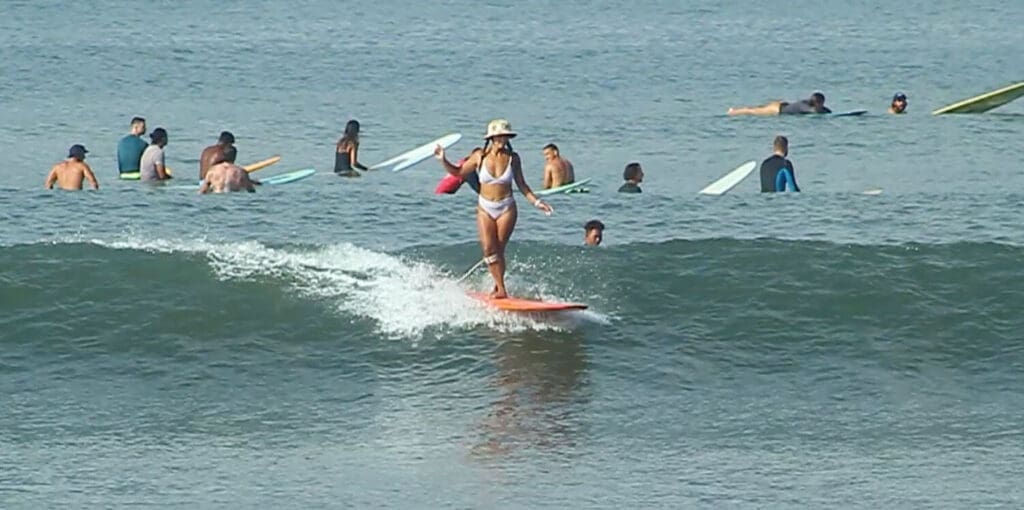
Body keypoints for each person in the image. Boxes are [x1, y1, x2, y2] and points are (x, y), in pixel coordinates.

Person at [434, 119, 553, 298]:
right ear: (491, 138)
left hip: (506, 208)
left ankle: (499, 289)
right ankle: (501, 288)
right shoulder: (479, 156)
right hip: (485, 207)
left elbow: (522, 185)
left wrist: (537, 202)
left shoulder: (513, 158)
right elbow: (458, 173)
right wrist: (443, 159)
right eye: (498, 136)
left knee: (498, 249)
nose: (501, 140)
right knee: (489, 249)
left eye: (504, 136)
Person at [728, 92, 832, 116]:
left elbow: (825, 110)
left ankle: (734, 111)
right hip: (777, 109)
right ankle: (733, 112)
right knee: (753, 111)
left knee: (757, 109)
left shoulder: (810, 105)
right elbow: (813, 111)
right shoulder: (805, 106)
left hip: (782, 105)